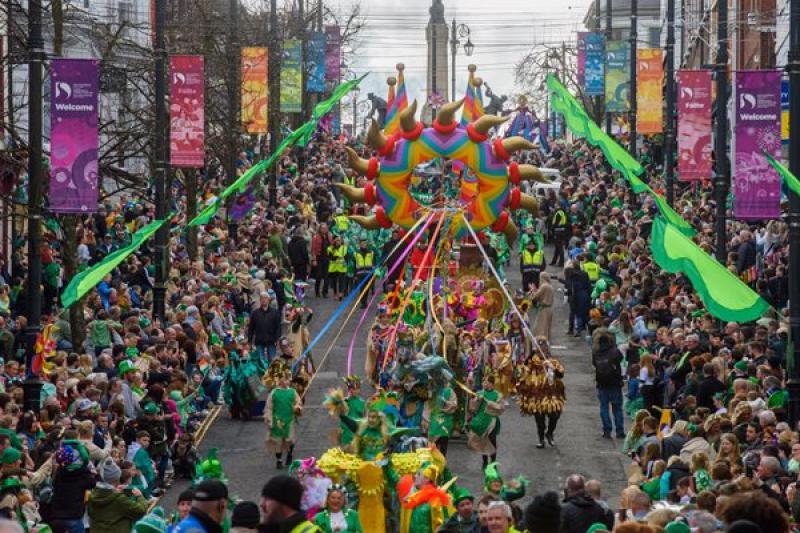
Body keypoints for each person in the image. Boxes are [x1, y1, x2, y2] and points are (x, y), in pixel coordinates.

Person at [87, 457, 149, 533]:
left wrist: (121, 491)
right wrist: (140, 496)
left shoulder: (93, 494)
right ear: (115, 479)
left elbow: (91, 513)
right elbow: (140, 511)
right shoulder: (118, 499)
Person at [265, 368, 303, 469]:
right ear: (280, 380)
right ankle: (279, 459)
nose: (288, 381)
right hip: (277, 420)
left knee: (289, 439)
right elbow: (269, 407)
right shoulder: (274, 393)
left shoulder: (293, 392)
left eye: (289, 379)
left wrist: (297, 408)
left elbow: (298, 402)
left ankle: (289, 455)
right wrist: (269, 418)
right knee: (277, 440)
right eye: (285, 379)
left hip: (289, 420)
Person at [467, 375, 505, 469]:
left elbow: (500, 408)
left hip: (492, 422)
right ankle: (484, 462)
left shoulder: (497, 395)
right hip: (481, 421)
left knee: (492, 441)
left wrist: (490, 404)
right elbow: (472, 408)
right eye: (483, 382)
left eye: (486, 382)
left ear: (491, 383)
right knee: (482, 441)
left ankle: (493, 462)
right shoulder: (480, 393)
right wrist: (477, 400)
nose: (484, 383)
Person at [592, 332, 625, 439]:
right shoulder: (615, 352)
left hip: (601, 384)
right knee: (617, 408)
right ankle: (619, 430)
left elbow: (594, 364)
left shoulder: (596, 353)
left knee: (604, 407)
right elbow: (621, 359)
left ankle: (607, 430)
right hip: (615, 383)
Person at [248, 292, 282, 362]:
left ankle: (271, 372)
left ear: (268, 300)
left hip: (271, 341)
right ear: (260, 300)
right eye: (262, 298)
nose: (263, 300)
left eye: (265, 298)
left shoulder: (275, 312)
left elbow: (278, 327)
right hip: (259, 341)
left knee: (272, 361)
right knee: (260, 361)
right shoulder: (255, 313)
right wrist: (250, 341)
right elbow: (251, 328)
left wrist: (277, 339)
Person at [529, 272, 554, 341]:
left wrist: (532, 291)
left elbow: (536, 296)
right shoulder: (550, 286)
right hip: (549, 308)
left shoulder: (544, 286)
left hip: (544, 309)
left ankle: (542, 341)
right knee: (547, 326)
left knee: (541, 326)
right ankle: (547, 339)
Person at [354, 238, 374, 308]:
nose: (363, 245)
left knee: (367, 288)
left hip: (368, 273)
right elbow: (355, 264)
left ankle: (365, 302)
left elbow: (373, 262)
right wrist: (355, 275)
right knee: (362, 288)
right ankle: (363, 302)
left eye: (365, 243)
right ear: (359, 245)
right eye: (362, 244)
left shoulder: (370, 252)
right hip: (360, 273)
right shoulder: (356, 253)